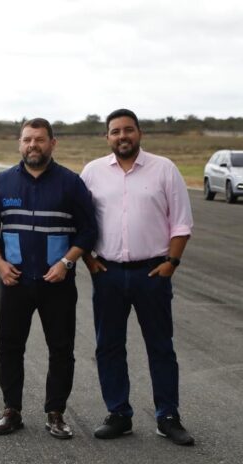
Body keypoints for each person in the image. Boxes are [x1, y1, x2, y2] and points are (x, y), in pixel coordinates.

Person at [0, 118, 97, 439]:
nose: (33, 145)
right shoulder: (3, 182)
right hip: (14, 281)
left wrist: (67, 263)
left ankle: (55, 413)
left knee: (61, 349)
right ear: (20, 143)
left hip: (57, 283)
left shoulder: (71, 183)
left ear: (52, 143)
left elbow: (88, 230)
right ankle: (11, 411)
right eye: (27, 139)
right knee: (9, 348)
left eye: (40, 139)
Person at [80, 108, 195, 446]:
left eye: (128, 130)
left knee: (161, 347)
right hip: (108, 273)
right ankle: (118, 414)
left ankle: (168, 417)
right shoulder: (92, 172)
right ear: (107, 137)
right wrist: (88, 260)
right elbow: (80, 221)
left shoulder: (165, 169)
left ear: (139, 133)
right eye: (115, 131)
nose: (122, 136)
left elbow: (182, 222)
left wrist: (171, 263)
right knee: (109, 346)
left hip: (152, 273)